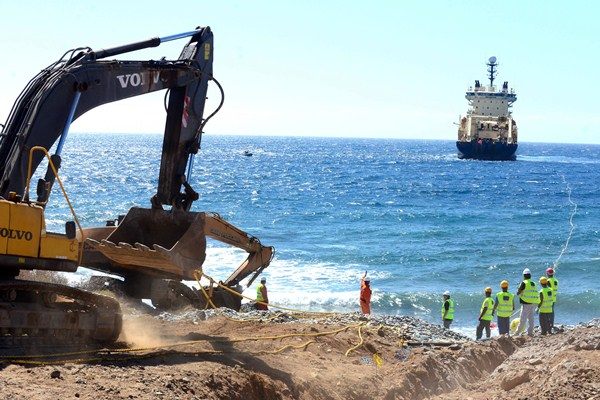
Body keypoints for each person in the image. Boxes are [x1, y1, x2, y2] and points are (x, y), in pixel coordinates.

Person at [515, 268, 538, 336]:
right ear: (530, 275)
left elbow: (518, 293)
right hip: (532, 303)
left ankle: (517, 333)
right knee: (531, 319)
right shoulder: (533, 283)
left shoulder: (524, 283)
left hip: (526, 303)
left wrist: (518, 289)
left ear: (524, 276)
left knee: (522, 320)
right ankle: (530, 332)